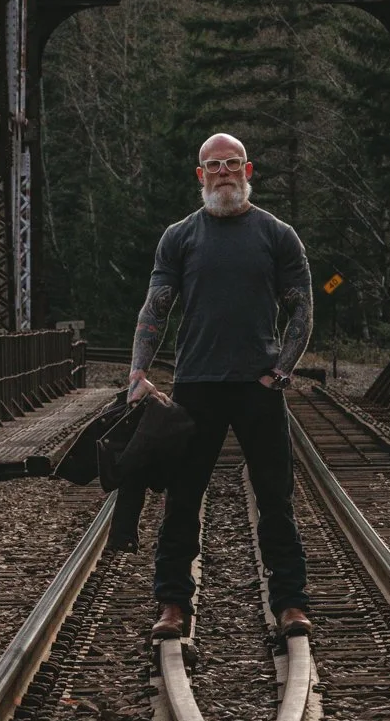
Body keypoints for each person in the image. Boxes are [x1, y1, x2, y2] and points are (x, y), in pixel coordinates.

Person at [128, 131, 313, 642]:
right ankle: (172, 604)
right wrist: (138, 371)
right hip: (197, 384)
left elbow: (302, 306)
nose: (224, 172)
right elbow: (156, 307)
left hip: (258, 388)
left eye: (233, 164)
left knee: (276, 497)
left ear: (248, 172)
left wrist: (283, 369)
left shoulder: (277, 234)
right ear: (200, 176)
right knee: (182, 498)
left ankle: (291, 604)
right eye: (214, 166)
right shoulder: (180, 236)